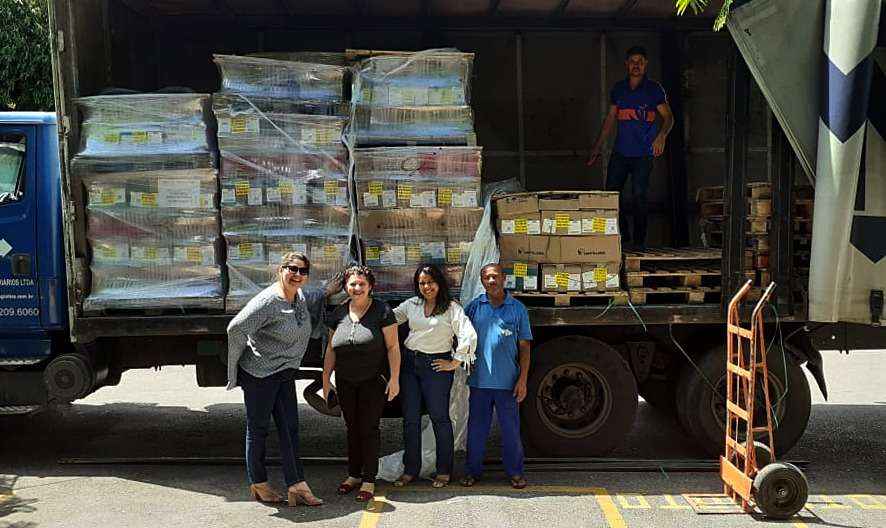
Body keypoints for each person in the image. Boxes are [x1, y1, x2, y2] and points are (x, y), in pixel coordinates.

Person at [226, 252, 324, 507]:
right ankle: (258, 483)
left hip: (284, 372)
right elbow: (236, 328)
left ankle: (296, 484)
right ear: (280, 270)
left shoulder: (299, 297)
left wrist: (330, 290)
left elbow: (314, 296)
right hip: (260, 374)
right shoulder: (269, 301)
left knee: (290, 428)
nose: (297, 275)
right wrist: (233, 370)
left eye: (303, 271)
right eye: (292, 269)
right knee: (258, 429)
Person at [391, 264, 478, 489]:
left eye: (430, 282)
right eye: (421, 283)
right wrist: (358, 305)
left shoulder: (451, 308)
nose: (426, 287)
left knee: (440, 418)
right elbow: (387, 319)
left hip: (436, 367)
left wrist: (455, 362)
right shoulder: (411, 305)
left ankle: (444, 471)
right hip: (410, 365)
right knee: (410, 419)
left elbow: (468, 334)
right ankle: (410, 470)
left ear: (439, 283)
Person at [322, 265, 401, 502]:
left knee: (368, 429)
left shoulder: (382, 311)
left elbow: (393, 347)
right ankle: (353, 475)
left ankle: (369, 479)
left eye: (361, 284)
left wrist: (395, 378)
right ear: (346, 286)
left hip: (372, 382)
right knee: (352, 428)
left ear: (370, 287)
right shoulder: (338, 313)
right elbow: (330, 349)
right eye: (352, 284)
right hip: (346, 381)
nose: (357, 288)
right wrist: (326, 379)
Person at [588, 45, 674, 249]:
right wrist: (597, 147)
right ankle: (623, 235)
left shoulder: (654, 90)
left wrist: (661, 135)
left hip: (643, 154)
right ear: (626, 64)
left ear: (645, 65)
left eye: (640, 62)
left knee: (639, 197)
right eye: (633, 61)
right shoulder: (619, 89)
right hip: (620, 152)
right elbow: (610, 119)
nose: (636, 65)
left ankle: (639, 243)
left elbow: (669, 117)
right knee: (611, 194)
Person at [461, 263, 532, 489]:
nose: (491, 281)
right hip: (480, 382)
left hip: (508, 383)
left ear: (504, 279)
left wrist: (522, 380)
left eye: (495, 277)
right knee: (476, 431)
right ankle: (473, 472)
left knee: (511, 431)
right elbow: (462, 339)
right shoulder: (473, 308)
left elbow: (525, 347)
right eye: (487, 278)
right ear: (482, 282)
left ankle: (515, 472)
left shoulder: (517, 309)